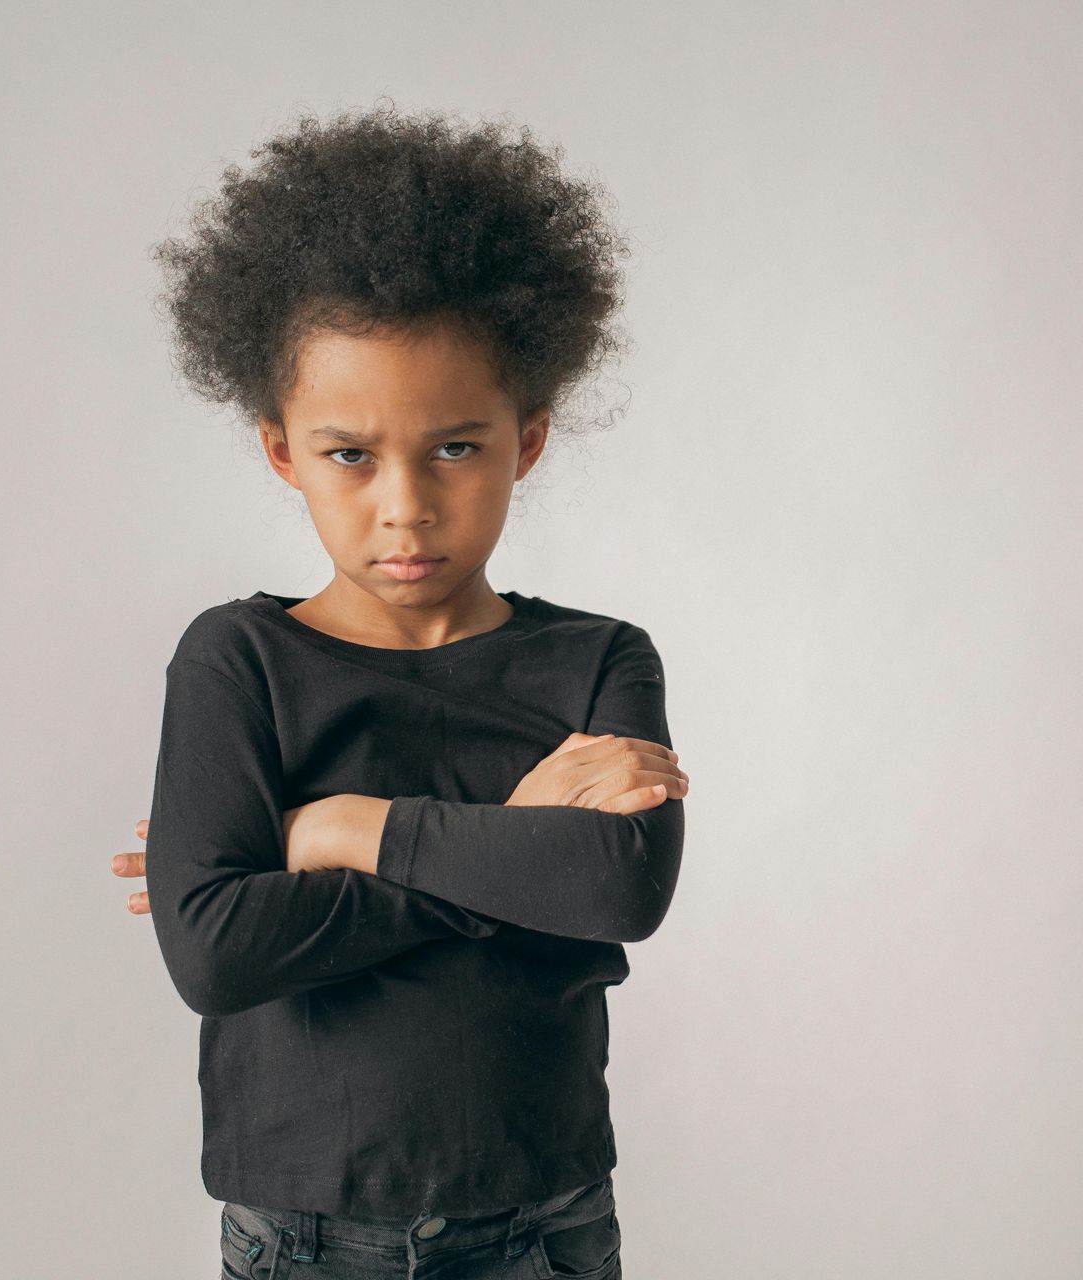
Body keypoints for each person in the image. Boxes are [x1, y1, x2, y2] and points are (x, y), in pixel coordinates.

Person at [108, 103, 686, 1279]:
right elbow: (214, 950)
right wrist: (515, 847)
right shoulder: (237, 660)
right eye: (350, 453)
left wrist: (337, 831)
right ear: (282, 449)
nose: (406, 503)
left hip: (548, 1219)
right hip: (307, 1232)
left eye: (456, 447)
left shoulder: (599, 658)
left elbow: (619, 880)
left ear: (528, 437)